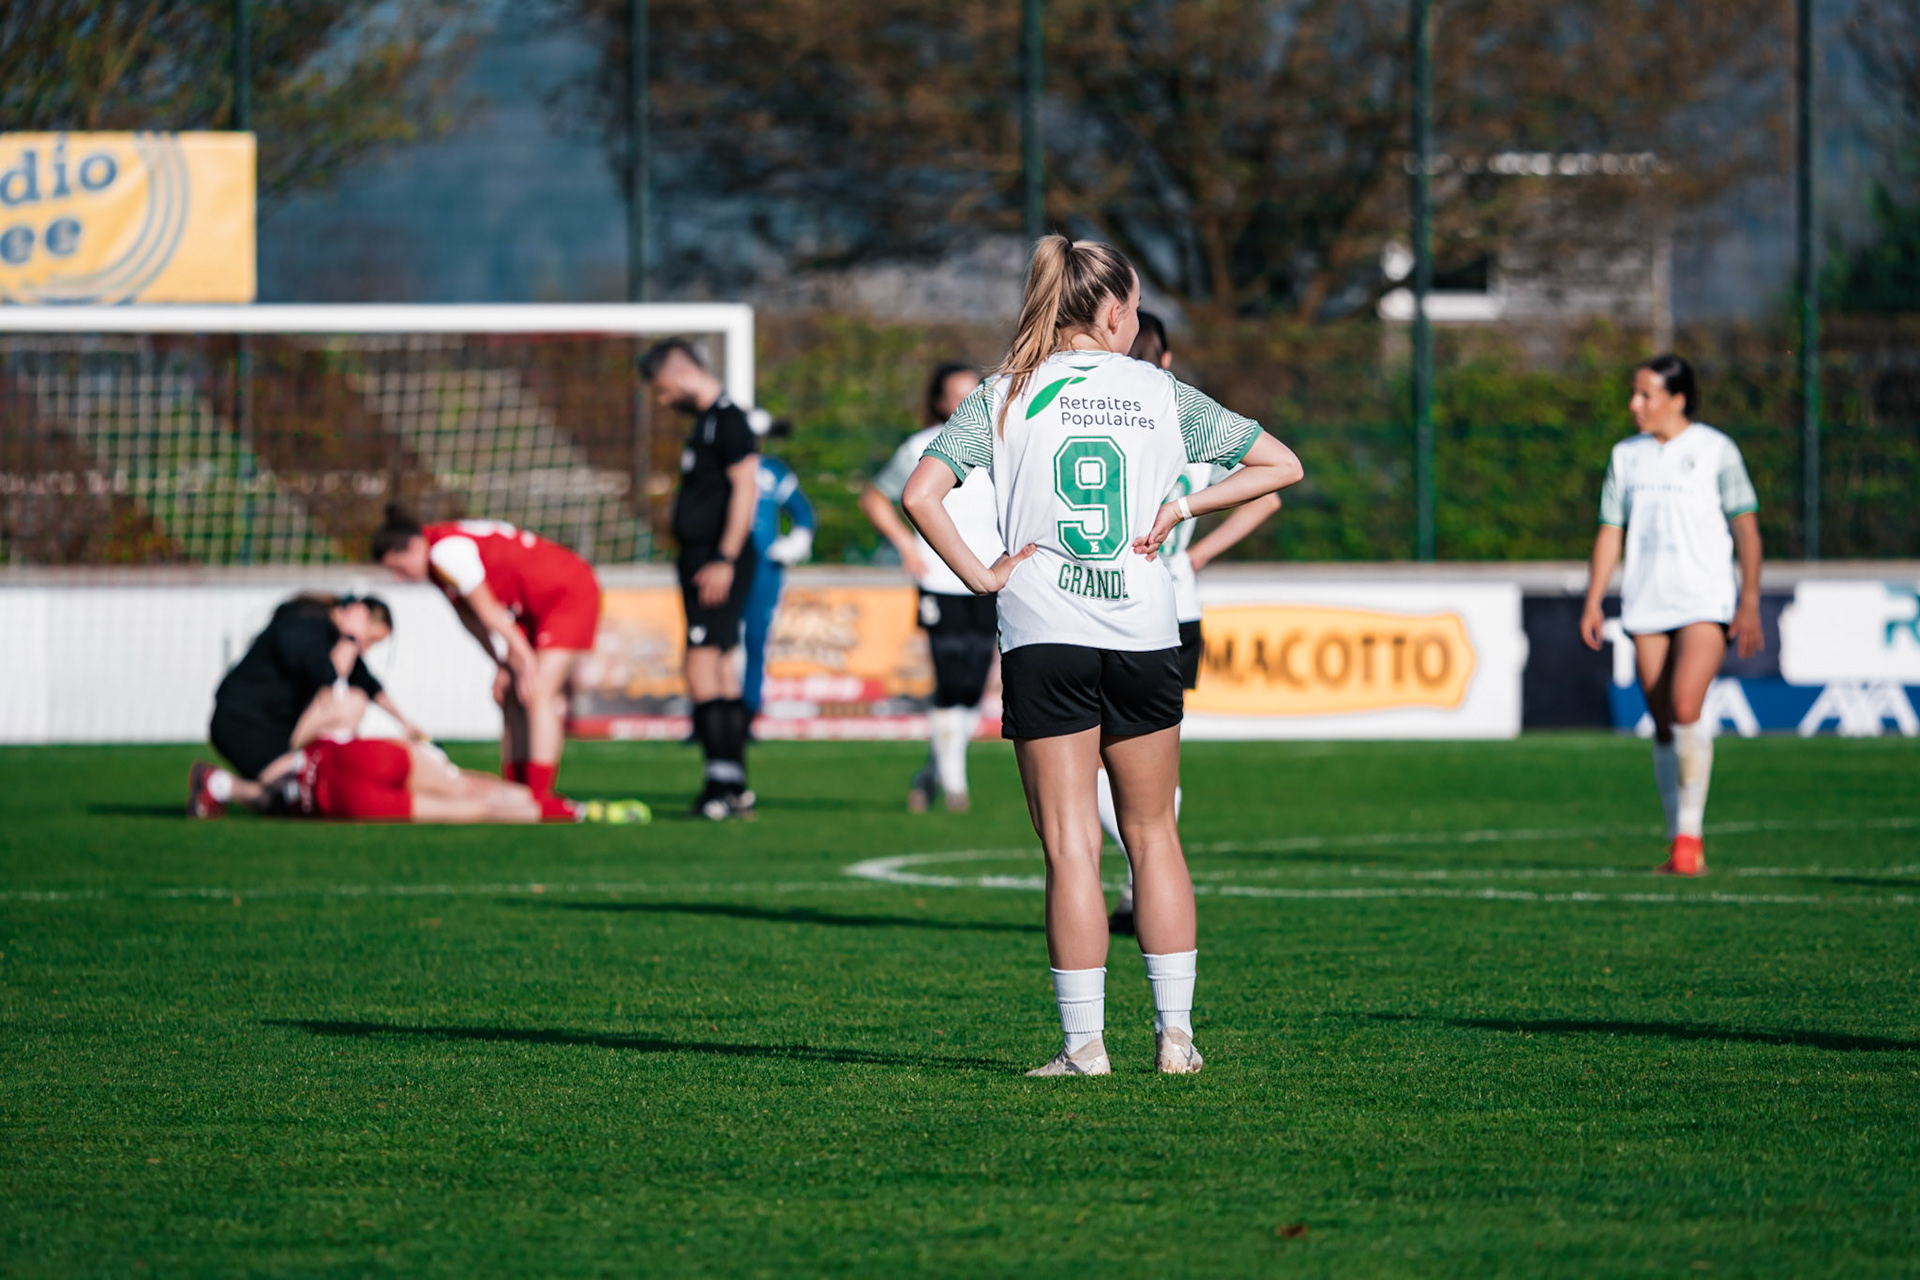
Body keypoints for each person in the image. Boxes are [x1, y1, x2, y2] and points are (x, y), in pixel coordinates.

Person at [902, 236, 1303, 1076]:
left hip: (1046, 630)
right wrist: (1182, 506)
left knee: (1071, 847)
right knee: (1153, 835)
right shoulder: (1161, 391)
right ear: (1117, 311)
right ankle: (1176, 1038)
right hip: (1145, 631)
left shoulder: (1004, 393)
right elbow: (1280, 465)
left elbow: (920, 494)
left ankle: (1085, 1046)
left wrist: (982, 574)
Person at [1100, 312, 1283, 935]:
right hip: (1177, 607)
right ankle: (1146, 877)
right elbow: (1267, 492)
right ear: (1168, 359)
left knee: (1091, 763)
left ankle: (1143, 870)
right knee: (1155, 761)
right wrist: (1197, 550)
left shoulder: (1106, 412)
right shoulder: (1181, 414)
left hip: (1106, 605)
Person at [1580, 354, 1763, 877]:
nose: (1634, 404)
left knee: (1685, 705)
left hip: (1705, 599)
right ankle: (1675, 836)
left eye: (1646, 395)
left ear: (1678, 399)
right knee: (1662, 720)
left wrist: (1749, 599)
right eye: (1634, 394)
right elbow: (1610, 530)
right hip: (1646, 601)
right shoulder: (1626, 457)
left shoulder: (1716, 450)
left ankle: (1689, 836)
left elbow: (1746, 529)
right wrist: (1594, 597)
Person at [371, 508, 601, 822]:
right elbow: (472, 619)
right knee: (510, 693)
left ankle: (539, 798)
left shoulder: (445, 552)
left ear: (412, 546)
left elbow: (489, 611)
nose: (400, 577)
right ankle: (519, 792)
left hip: (566, 591)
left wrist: (524, 658)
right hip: (528, 607)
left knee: (537, 691)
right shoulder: (438, 565)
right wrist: (501, 664)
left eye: (399, 568)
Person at [860, 361, 1005, 811]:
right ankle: (956, 784)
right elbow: (875, 497)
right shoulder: (921, 446)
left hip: (991, 576)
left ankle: (933, 771)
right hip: (940, 578)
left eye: (972, 393)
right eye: (955, 395)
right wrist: (905, 543)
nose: (965, 403)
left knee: (974, 681)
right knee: (950, 675)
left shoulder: (1003, 443)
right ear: (940, 402)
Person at [640, 339, 761, 820]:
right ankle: (732, 785)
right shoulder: (708, 421)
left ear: (682, 374)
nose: (664, 399)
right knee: (720, 665)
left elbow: (746, 488)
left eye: (663, 389)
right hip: (704, 559)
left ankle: (719, 785)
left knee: (701, 663)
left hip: (716, 561)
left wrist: (724, 558)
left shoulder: (728, 420)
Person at [207, 593, 424, 783]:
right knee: (352, 704)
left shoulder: (334, 639)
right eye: (370, 640)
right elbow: (328, 677)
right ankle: (310, 770)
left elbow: (368, 684)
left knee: (299, 796)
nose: (365, 650)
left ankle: (219, 785)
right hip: (242, 724)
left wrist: (405, 723)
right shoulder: (305, 622)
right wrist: (352, 636)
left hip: (274, 729)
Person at [189, 737, 543, 823]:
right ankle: (538, 806)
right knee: (461, 795)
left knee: (461, 794)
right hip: (351, 780)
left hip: (331, 782)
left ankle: (220, 784)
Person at [742, 412, 817, 714]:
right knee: (720, 641)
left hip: (764, 569)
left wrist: (794, 544)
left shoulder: (772, 471)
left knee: (756, 637)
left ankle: (749, 707)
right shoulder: (719, 467)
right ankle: (716, 710)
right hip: (727, 567)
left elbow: (804, 513)